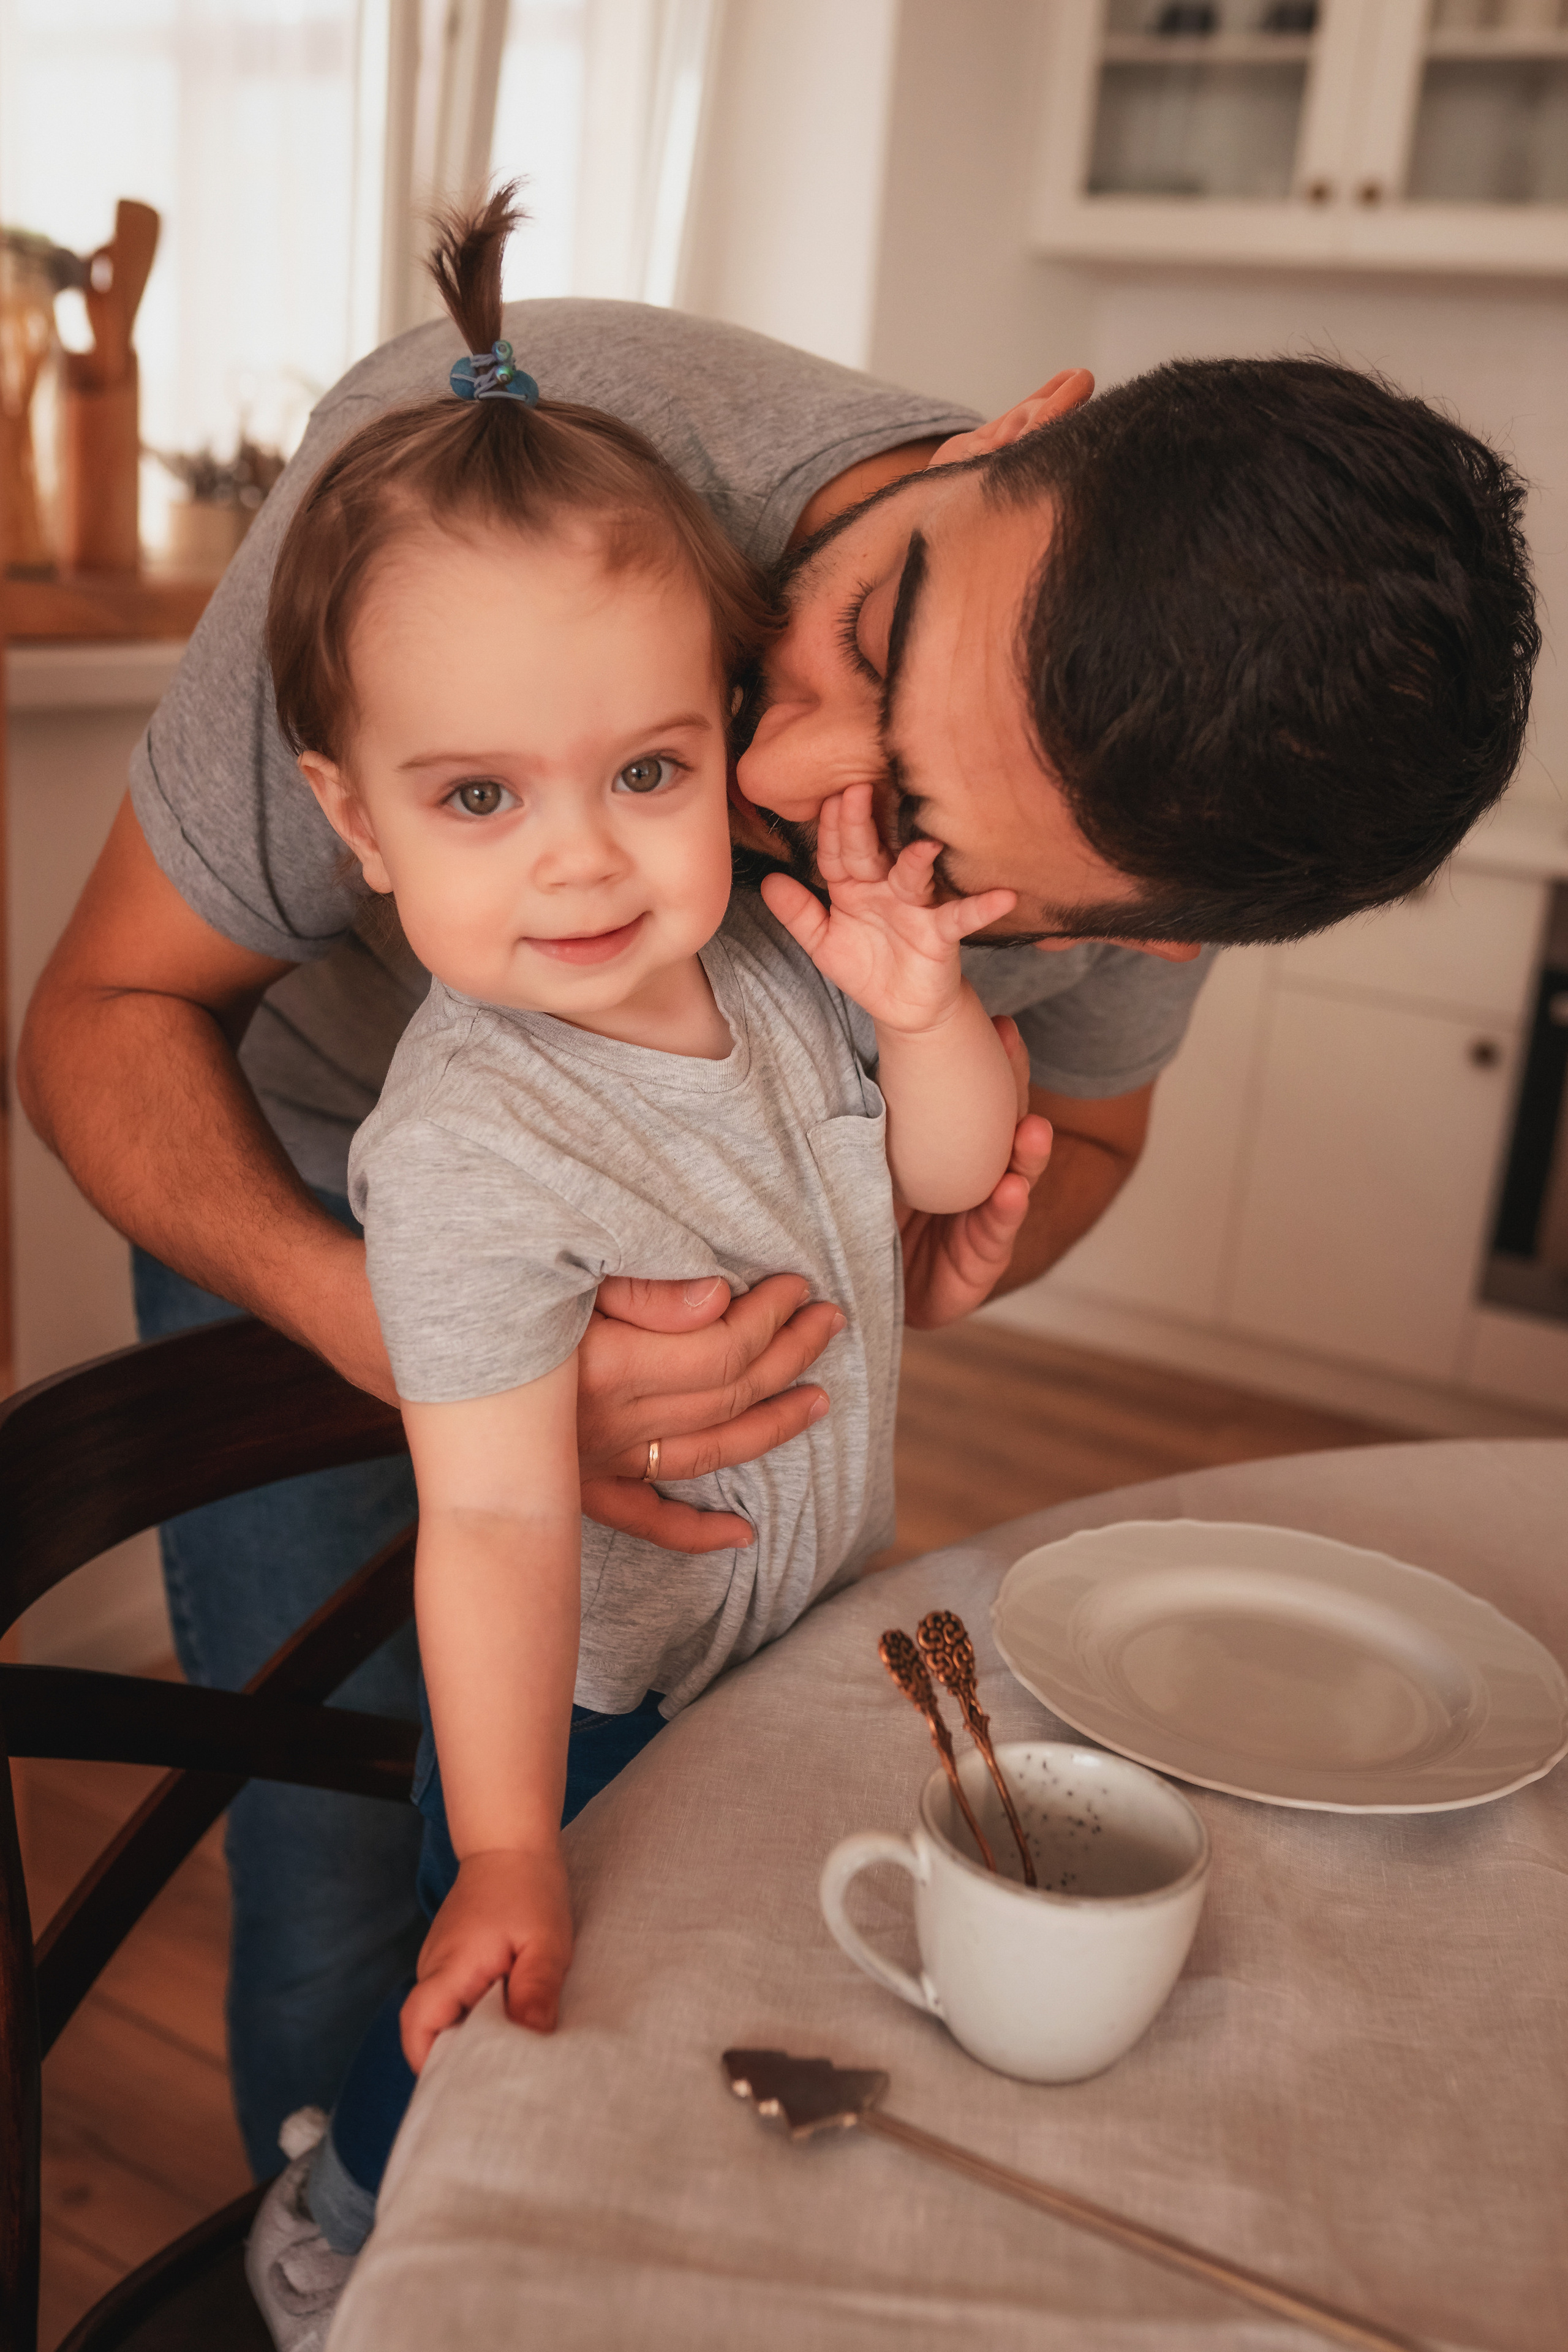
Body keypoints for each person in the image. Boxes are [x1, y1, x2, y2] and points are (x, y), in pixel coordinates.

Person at [17, 227, 1537, 2176]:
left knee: (710, 1884)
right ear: (1027, 426)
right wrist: (414, 1341)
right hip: (309, 1196)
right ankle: (352, 2244)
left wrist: (915, 1251)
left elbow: (1072, 1147)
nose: (777, 771)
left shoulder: (1175, 812)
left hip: (748, 1538)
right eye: (878, 641)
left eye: (917, 834)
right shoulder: (475, 489)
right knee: (336, 1871)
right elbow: (99, 1012)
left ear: (1134, 939)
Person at [238, 192, 1020, 2344]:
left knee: (729, 1990)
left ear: (718, 744)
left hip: (806, 1626)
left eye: (648, 771)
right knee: (502, 2038)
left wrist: (924, 1000)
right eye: (479, 796)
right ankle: (350, 2229)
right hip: (586, 1711)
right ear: (357, 822)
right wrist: (504, 1842)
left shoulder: (772, 961)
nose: (582, 853)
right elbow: (491, 1513)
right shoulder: (468, 1143)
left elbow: (947, 1180)